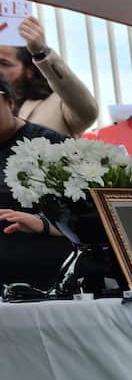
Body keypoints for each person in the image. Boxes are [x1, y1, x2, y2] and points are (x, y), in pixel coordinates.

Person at [0, 76, 72, 291]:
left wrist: (44, 224)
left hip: (46, 279)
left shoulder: (51, 144)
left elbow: (91, 213)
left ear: (10, 102)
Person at [0, 16, 97, 138]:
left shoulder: (57, 103)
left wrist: (40, 52)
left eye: (4, 64)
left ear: (29, 70)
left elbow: (87, 112)